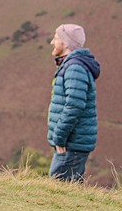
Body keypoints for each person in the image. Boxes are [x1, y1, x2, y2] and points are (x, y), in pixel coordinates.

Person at [47, 24, 100, 182]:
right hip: (72, 142)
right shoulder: (72, 66)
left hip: (71, 143)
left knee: (59, 191)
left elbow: (74, 106)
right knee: (67, 191)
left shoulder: (74, 68)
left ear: (66, 43)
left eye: (56, 38)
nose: (52, 42)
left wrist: (60, 137)